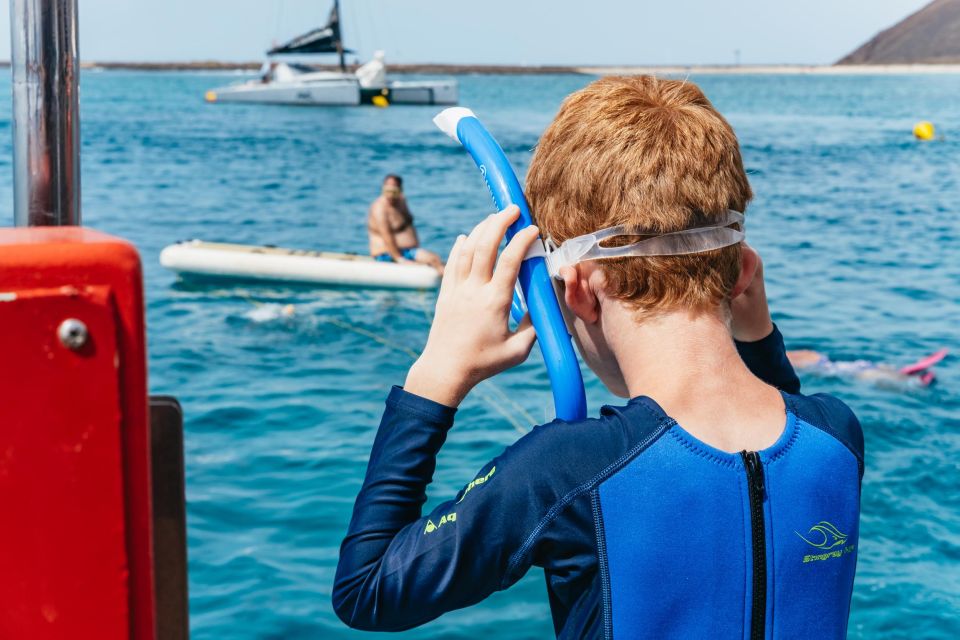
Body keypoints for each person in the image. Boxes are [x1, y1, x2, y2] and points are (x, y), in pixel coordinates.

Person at [334, 77, 863, 638]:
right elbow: (784, 411)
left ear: (580, 289)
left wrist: (436, 374)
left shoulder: (567, 469)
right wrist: (759, 340)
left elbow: (366, 589)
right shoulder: (836, 435)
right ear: (744, 274)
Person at [367, 175, 444, 274]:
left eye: (394, 192)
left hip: (407, 251)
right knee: (433, 260)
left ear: (400, 190)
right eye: (387, 191)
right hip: (387, 254)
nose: (390, 195)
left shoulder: (402, 201)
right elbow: (387, 236)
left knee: (436, 259)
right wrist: (399, 259)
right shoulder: (379, 208)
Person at [788, 348, 946, 388]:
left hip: (843, 369)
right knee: (872, 371)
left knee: (868, 375)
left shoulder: (800, 361)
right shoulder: (808, 355)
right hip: (843, 364)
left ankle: (910, 379)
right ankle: (906, 375)